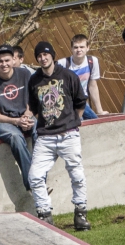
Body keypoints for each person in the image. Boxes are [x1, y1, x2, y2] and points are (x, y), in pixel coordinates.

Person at [27, 42, 91, 230]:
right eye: (39, 56)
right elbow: (34, 108)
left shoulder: (68, 76)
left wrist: (72, 122)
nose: (43, 58)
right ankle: (44, 214)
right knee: (35, 176)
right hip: (45, 137)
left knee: (77, 174)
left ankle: (80, 213)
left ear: (52, 55)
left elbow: (80, 102)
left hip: (68, 134)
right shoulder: (34, 80)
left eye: (45, 54)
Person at [0, 44, 35, 191]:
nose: (4, 64)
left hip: (25, 116)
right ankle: (33, 183)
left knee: (39, 129)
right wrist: (16, 121)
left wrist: (27, 115)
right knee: (16, 137)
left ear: (13, 60)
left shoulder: (24, 74)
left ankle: (39, 173)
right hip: (3, 123)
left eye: (7, 60)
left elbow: (32, 101)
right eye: (0, 61)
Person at [57, 35, 109, 119]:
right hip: (67, 102)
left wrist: (100, 110)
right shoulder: (62, 64)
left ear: (87, 48)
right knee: (79, 121)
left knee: (94, 120)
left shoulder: (92, 61)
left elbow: (93, 86)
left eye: (82, 47)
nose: (79, 50)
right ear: (71, 48)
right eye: (76, 47)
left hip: (82, 101)